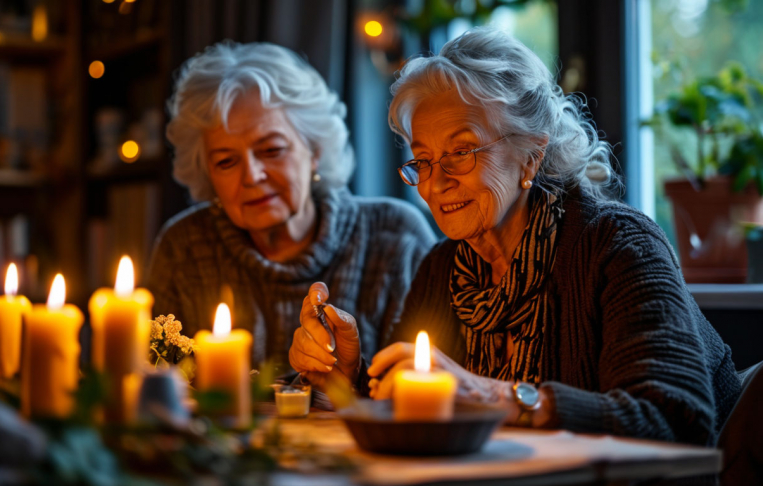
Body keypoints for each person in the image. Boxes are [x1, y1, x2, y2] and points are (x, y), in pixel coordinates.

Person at [289, 27, 741, 445]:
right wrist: (345, 377)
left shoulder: (620, 246)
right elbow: (409, 414)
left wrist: (496, 396)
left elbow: (678, 421)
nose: (434, 183)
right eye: (423, 159)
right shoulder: (443, 268)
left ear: (530, 155)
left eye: (461, 152)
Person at [147, 42, 435, 372]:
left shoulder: (396, 236)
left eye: (271, 150)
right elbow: (155, 383)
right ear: (208, 173)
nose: (252, 176)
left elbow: (425, 384)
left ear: (314, 150)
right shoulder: (183, 248)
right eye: (226, 161)